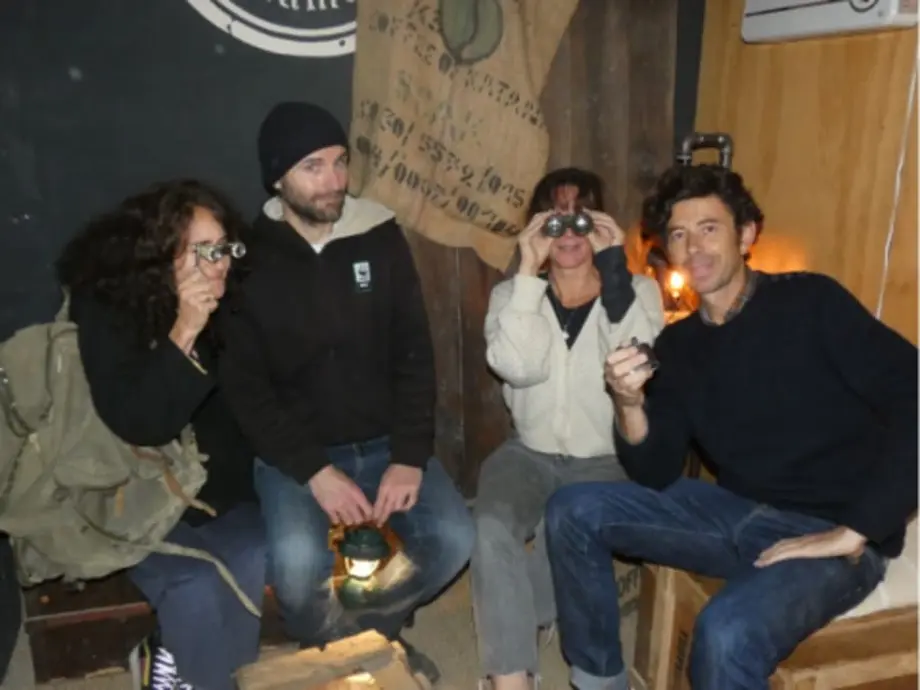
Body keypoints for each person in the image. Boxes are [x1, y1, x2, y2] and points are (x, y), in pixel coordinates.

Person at [543, 163, 918, 690]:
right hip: (738, 512)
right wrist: (628, 403)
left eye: (709, 228)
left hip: (830, 529)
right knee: (571, 510)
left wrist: (856, 530)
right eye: (679, 235)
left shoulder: (811, 302)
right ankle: (598, 681)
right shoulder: (679, 346)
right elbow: (655, 470)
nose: (693, 247)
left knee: (725, 632)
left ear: (745, 236)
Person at [218, 101, 474, 683]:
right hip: (296, 455)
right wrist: (315, 471)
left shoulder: (380, 236)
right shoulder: (247, 261)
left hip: (384, 441)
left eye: (340, 162)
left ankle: (366, 636)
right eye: (313, 167)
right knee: (296, 570)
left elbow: (414, 353)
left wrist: (409, 456)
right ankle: (362, 648)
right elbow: (245, 388)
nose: (334, 180)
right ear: (277, 178)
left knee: (454, 538)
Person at [56, 180, 267, 690]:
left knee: (251, 556)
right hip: (132, 497)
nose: (220, 264)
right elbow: (140, 424)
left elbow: (245, 415)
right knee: (193, 584)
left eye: (225, 248)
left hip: (214, 491)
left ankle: (200, 669)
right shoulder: (107, 309)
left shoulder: (230, 303)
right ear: (161, 253)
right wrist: (183, 332)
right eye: (204, 250)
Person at [472, 168, 664, 690]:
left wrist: (614, 271)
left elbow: (636, 360)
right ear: (537, 229)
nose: (569, 233)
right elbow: (518, 368)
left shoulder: (639, 291)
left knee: (562, 529)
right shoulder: (513, 295)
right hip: (529, 451)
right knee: (490, 524)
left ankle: (530, 614)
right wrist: (527, 275)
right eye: (555, 221)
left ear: (601, 223)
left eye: (581, 218)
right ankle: (511, 678)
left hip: (606, 459)